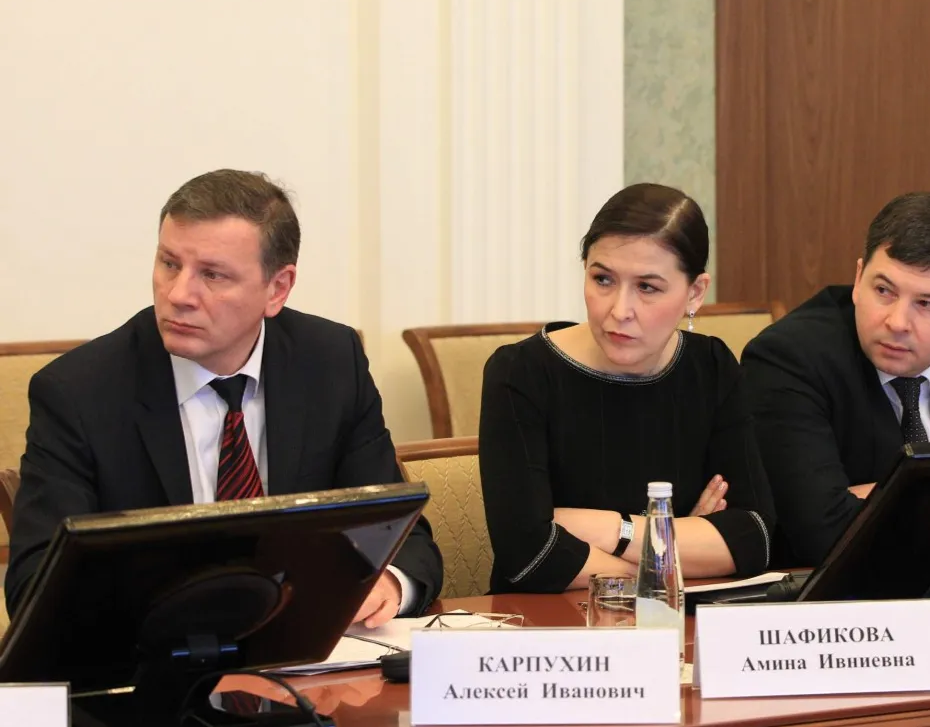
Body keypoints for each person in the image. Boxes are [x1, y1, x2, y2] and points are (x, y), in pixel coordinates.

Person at [5, 169, 443, 622]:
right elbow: (35, 586)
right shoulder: (80, 393)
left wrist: (388, 583)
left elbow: (400, 535)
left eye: (212, 275)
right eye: (169, 264)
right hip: (152, 655)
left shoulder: (331, 363)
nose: (178, 294)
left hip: (309, 655)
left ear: (277, 288)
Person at [478, 183, 775, 593]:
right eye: (603, 279)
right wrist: (674, 546)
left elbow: (754, 539)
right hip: (546, 623)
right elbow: (530, 555)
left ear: (695, 293)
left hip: (675, 623)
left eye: (647, 287)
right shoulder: (520, 372)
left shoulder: (711, 366)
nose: (619, 311)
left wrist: (611, 531)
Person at [742, 192, 930, 567]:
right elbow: (826, 533)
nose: (897, 322)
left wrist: (880, 499)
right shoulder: (789, 357)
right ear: (858, 279)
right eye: (883, 290)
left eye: (926, 304)